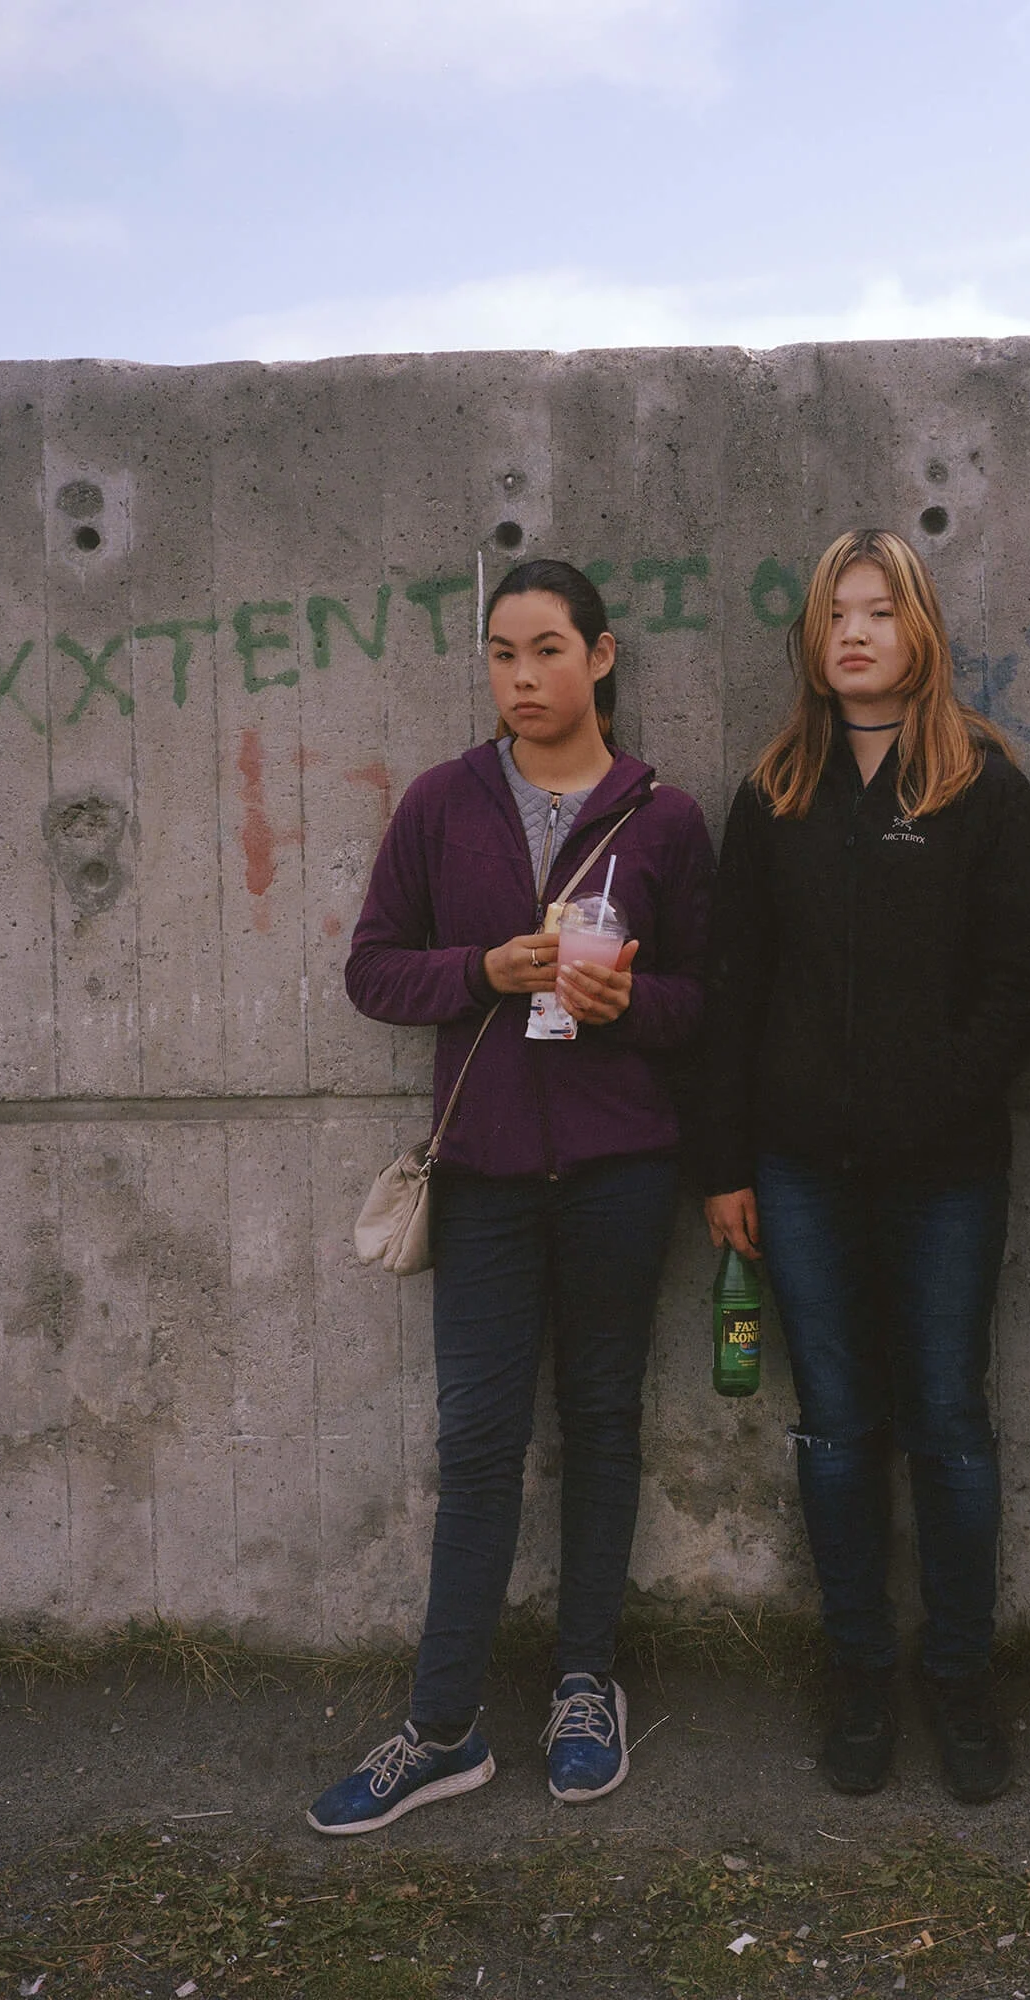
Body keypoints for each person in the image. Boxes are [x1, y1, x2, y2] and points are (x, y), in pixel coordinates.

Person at [308, 559, 715, 1833]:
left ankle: (583, 1688)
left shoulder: (664, 819)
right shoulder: (442, 804)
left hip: (619, 1171)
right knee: (478, 1441)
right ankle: (440, 1726)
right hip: (481, 1176)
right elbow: (372, 971)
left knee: (601, 1421)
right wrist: (482, 969)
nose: (521, 677)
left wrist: (627, 1003)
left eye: (546, 650)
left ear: (601, 656)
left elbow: (708, 1002)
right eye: (500, 653)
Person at [699, 528, 1030, 1803]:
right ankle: (858, 1673)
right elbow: (731, 992)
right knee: (836, 1427)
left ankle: (958, 1677)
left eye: (878, 611)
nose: (853, 633)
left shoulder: (984, 787)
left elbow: (1018, 988)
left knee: (947, 1422)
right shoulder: (772, 792)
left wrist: (926, 1103)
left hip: (946, 1169)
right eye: (833, 613)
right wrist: (725, 1159)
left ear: (920, 633)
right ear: (810, 639)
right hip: (795, 1171)